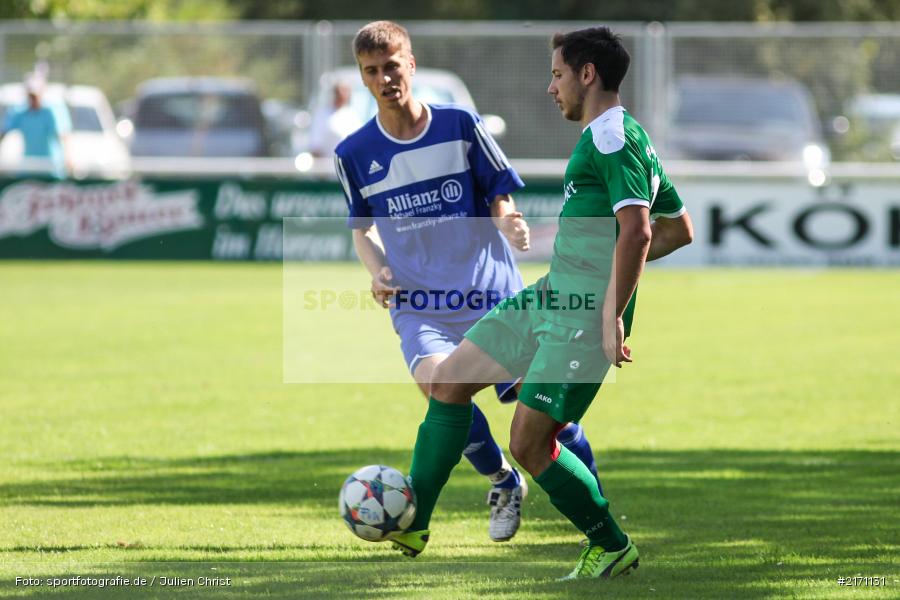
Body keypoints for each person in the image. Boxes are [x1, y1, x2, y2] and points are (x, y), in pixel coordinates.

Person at [392, 27, 694, 582]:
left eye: (557, 74)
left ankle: (610, 544)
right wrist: (603, 268)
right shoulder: (621, 135)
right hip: (551, 295)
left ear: (587, 74)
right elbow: (680, 229)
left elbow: (644, 233)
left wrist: (609, 309)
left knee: (529, 443)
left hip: (583, 313)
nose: (550, 87)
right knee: (449, 382)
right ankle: (413, 522)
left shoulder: (612, 138)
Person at [333, 20, 606, 543]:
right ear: (363, 78)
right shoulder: (353, 153)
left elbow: (499, 193)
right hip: (420, 305)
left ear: (410, 65)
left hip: (491, 295)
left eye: (392, 66)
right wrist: (377, 270)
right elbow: (361, 229)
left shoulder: (460, 125)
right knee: (441, 389)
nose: (385, 78)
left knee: (548, 410)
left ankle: (595, 501)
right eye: (372, 71)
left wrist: (507, 220)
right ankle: (504, 481)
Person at [0, 75, 69, 179]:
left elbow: (63, 136)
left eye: (35, 95)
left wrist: (68, 159)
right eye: (30, 96)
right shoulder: (20, 112)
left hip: (51, 168)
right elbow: (4, 131)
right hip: (29, 167)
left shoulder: (52, 112)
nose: (33, 99)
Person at [309, 80, 363, 157]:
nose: (342, 94)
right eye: (339, 91)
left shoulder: (353, 115)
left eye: (345, 91)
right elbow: (315, 145)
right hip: (326, 164)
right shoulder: (322, 114)